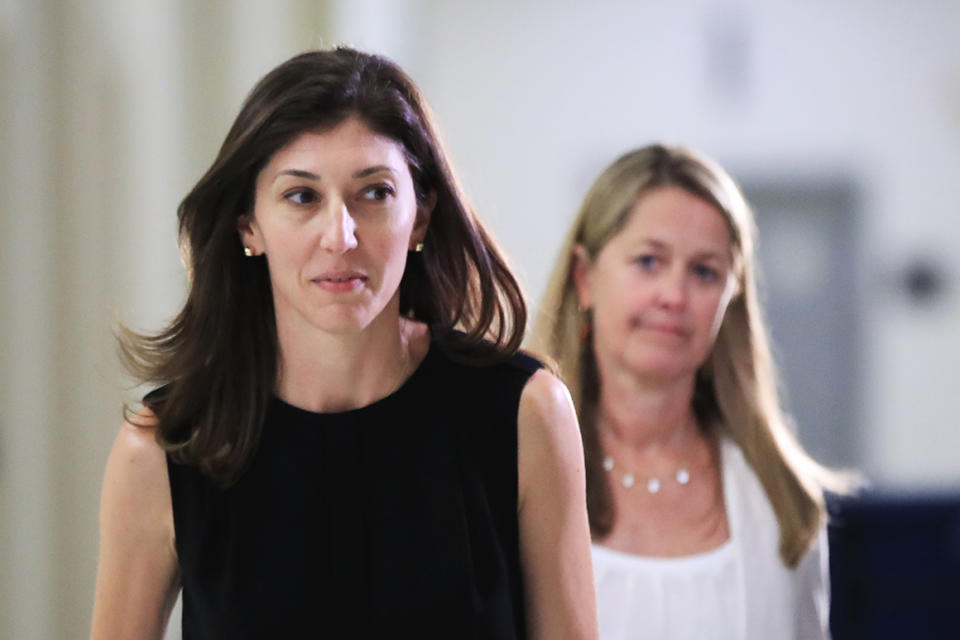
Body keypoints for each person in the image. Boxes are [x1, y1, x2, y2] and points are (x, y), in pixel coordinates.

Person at [91, 47, 598, 639]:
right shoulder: (163, 449)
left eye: (375, 192)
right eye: (302, 197)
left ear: (422, 215)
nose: (340, 235)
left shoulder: (525, 414)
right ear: (248, 226)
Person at [530, 144, 849, 639]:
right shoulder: (510, 473)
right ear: (585, 277)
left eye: (704, 272)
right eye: (649, 261)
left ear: (731, 297)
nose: (674, 296)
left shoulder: (779, 496)